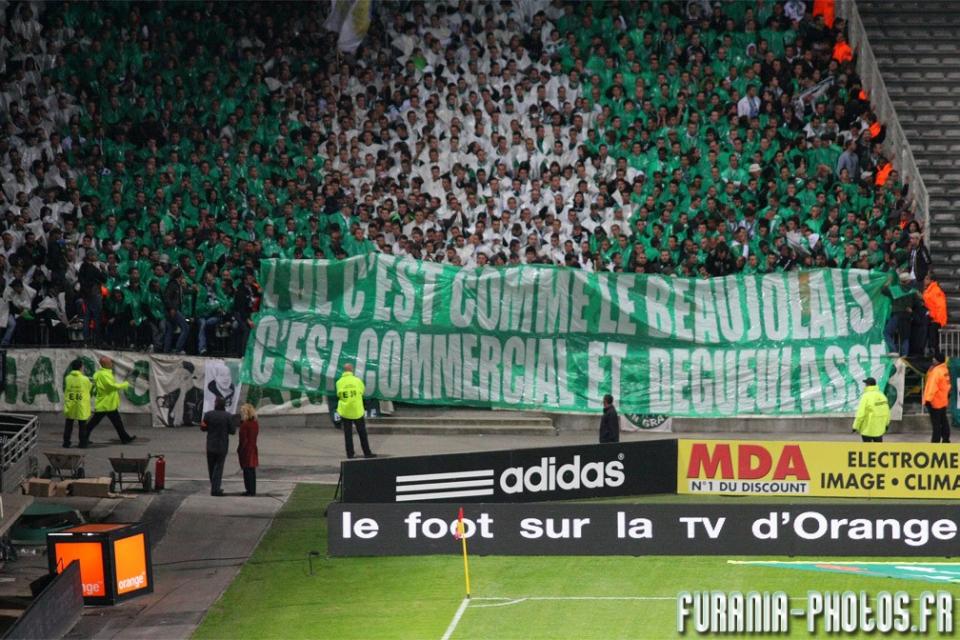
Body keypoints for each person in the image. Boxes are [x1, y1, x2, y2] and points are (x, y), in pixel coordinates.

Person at [83, 356, 136, 447]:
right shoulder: (104, 375)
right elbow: (112, 386)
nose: (112, 363)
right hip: (106, 404)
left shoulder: (102, 373)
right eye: (110, 362)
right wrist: (126, 384)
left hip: (107, 403)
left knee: (116, 422)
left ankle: (125, 438)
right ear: (106, 364)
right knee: (94, 423)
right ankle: (83, 439)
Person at [336, 363, 375, 459]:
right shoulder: (357, 381)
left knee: (348, 434)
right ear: (352, 370)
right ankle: (367, 452)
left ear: (344, 371)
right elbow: (361, 392)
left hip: (345, 411)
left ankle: (350, 454)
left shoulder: (339, 382)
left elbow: (338, 394)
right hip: (357, 410)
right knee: (362, 433)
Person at [201, 396, 236, 496]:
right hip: (222, 445)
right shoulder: (228, 416)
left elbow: (203, 428)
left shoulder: (208, 415)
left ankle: (214, 486)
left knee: (211, 467)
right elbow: (232, 431)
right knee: (218, 468)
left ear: (215, 404)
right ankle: (215, 489)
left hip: (210, 445)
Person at [63, 359, 92, 448]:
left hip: (70, 404)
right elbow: (89, 388)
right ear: (81, 367)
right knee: (82, 425)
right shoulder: (85, 379)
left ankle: (66, 443)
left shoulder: (68, 378)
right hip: (81, 404)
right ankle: (82, 443)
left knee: (68, 424)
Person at [924, 355, 952, 444]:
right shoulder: (944, 369)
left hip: (934, 402)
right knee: (943, 421)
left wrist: (928, 400)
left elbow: (932, 386)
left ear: (938, 360)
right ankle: (946, 439)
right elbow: (947, 386)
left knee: (936, 424)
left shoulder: (936, 371)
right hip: (942, 400)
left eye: (934, 358)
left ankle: (935, 442)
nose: (932, 359)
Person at [851, 377, 890, 443]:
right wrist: (887, 424)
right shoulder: (882, 395)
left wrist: (855, 426)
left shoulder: (865, 396)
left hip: (867, 429)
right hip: (879, 430)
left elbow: (860, 413)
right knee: (878, 450)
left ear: (867, 385)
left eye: (865, 384)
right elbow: (887, 412)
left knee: (867, 450)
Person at [922, 273, 947, 360]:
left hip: (935, 319)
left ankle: (936, 358)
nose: (924, 281)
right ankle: (933, 357)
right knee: (931, 339)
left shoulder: (935, 290)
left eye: (926, 279)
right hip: (931, 318)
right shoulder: (929, 290)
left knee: (933, 340)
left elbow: (940, 306)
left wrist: (932, 315)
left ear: (932, 281)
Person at [237, 403, 259, 496]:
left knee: (247, 471)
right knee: (252, 471)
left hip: (246, 449)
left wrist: (239, 450)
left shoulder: (245, 425)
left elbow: (243, 439)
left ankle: (249, 490)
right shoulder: (255, 423)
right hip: (253, 447)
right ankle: (252, 490)